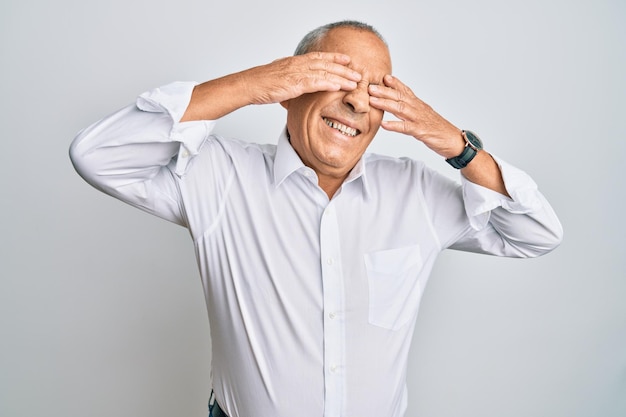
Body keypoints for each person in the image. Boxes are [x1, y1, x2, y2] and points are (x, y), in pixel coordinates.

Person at [70, 20, 562, 417]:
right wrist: (249, 84)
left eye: (375, 90)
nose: (356, 101)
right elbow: (98, 155)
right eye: (339, 80)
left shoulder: (417, 192)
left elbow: (535, 234)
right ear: (290, 87)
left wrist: (458, 144)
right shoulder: (218, 177)